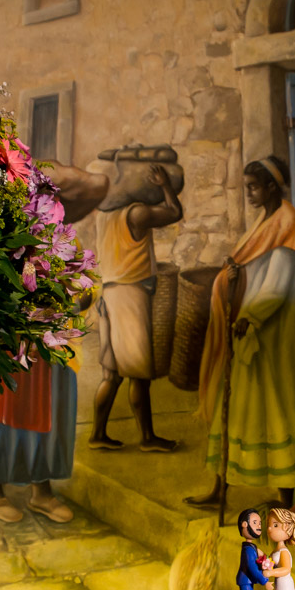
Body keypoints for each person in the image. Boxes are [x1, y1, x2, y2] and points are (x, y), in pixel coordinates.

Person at [0, 162, 108, 523]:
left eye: (52, 199)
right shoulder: (4, 234)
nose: (46, 205)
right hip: (9, 344)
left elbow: (87, 280)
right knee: (0, 419)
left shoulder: (65, 238)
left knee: (50, 419)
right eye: (39, 197)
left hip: (51, 345)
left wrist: (76, 296)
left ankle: (42, 492)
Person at [185, 156, 295, 511]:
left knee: (275, 408)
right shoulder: (265, 220)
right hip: (248, 324)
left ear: (272, 187)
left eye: (253, 187)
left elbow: (278, 283)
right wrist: (233, 277)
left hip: (272, 330)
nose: (249, 194)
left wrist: (251, 317)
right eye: (246, 187)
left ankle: (285, 499)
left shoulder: (287, 222)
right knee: (234, 407)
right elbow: (249, 267)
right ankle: (220, 489)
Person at [88, 163, 183, 452]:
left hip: (109, 294)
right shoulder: (136, 213)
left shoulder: (104, 215)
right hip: (130, 295)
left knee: (111, 374)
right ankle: (147, 438)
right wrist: (165, 185)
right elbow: (175, 212)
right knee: (139, 374)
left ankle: (97, 435)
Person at [236, 508, 272, 590]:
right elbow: (251, 567)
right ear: (244, 524)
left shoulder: (252, 547)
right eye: (255, 522)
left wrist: (268, 561)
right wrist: (264, 581)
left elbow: (263, 556)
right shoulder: (247, 549)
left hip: (247, 580)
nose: (259, 526)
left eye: (260, 523)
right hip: (245, 579)